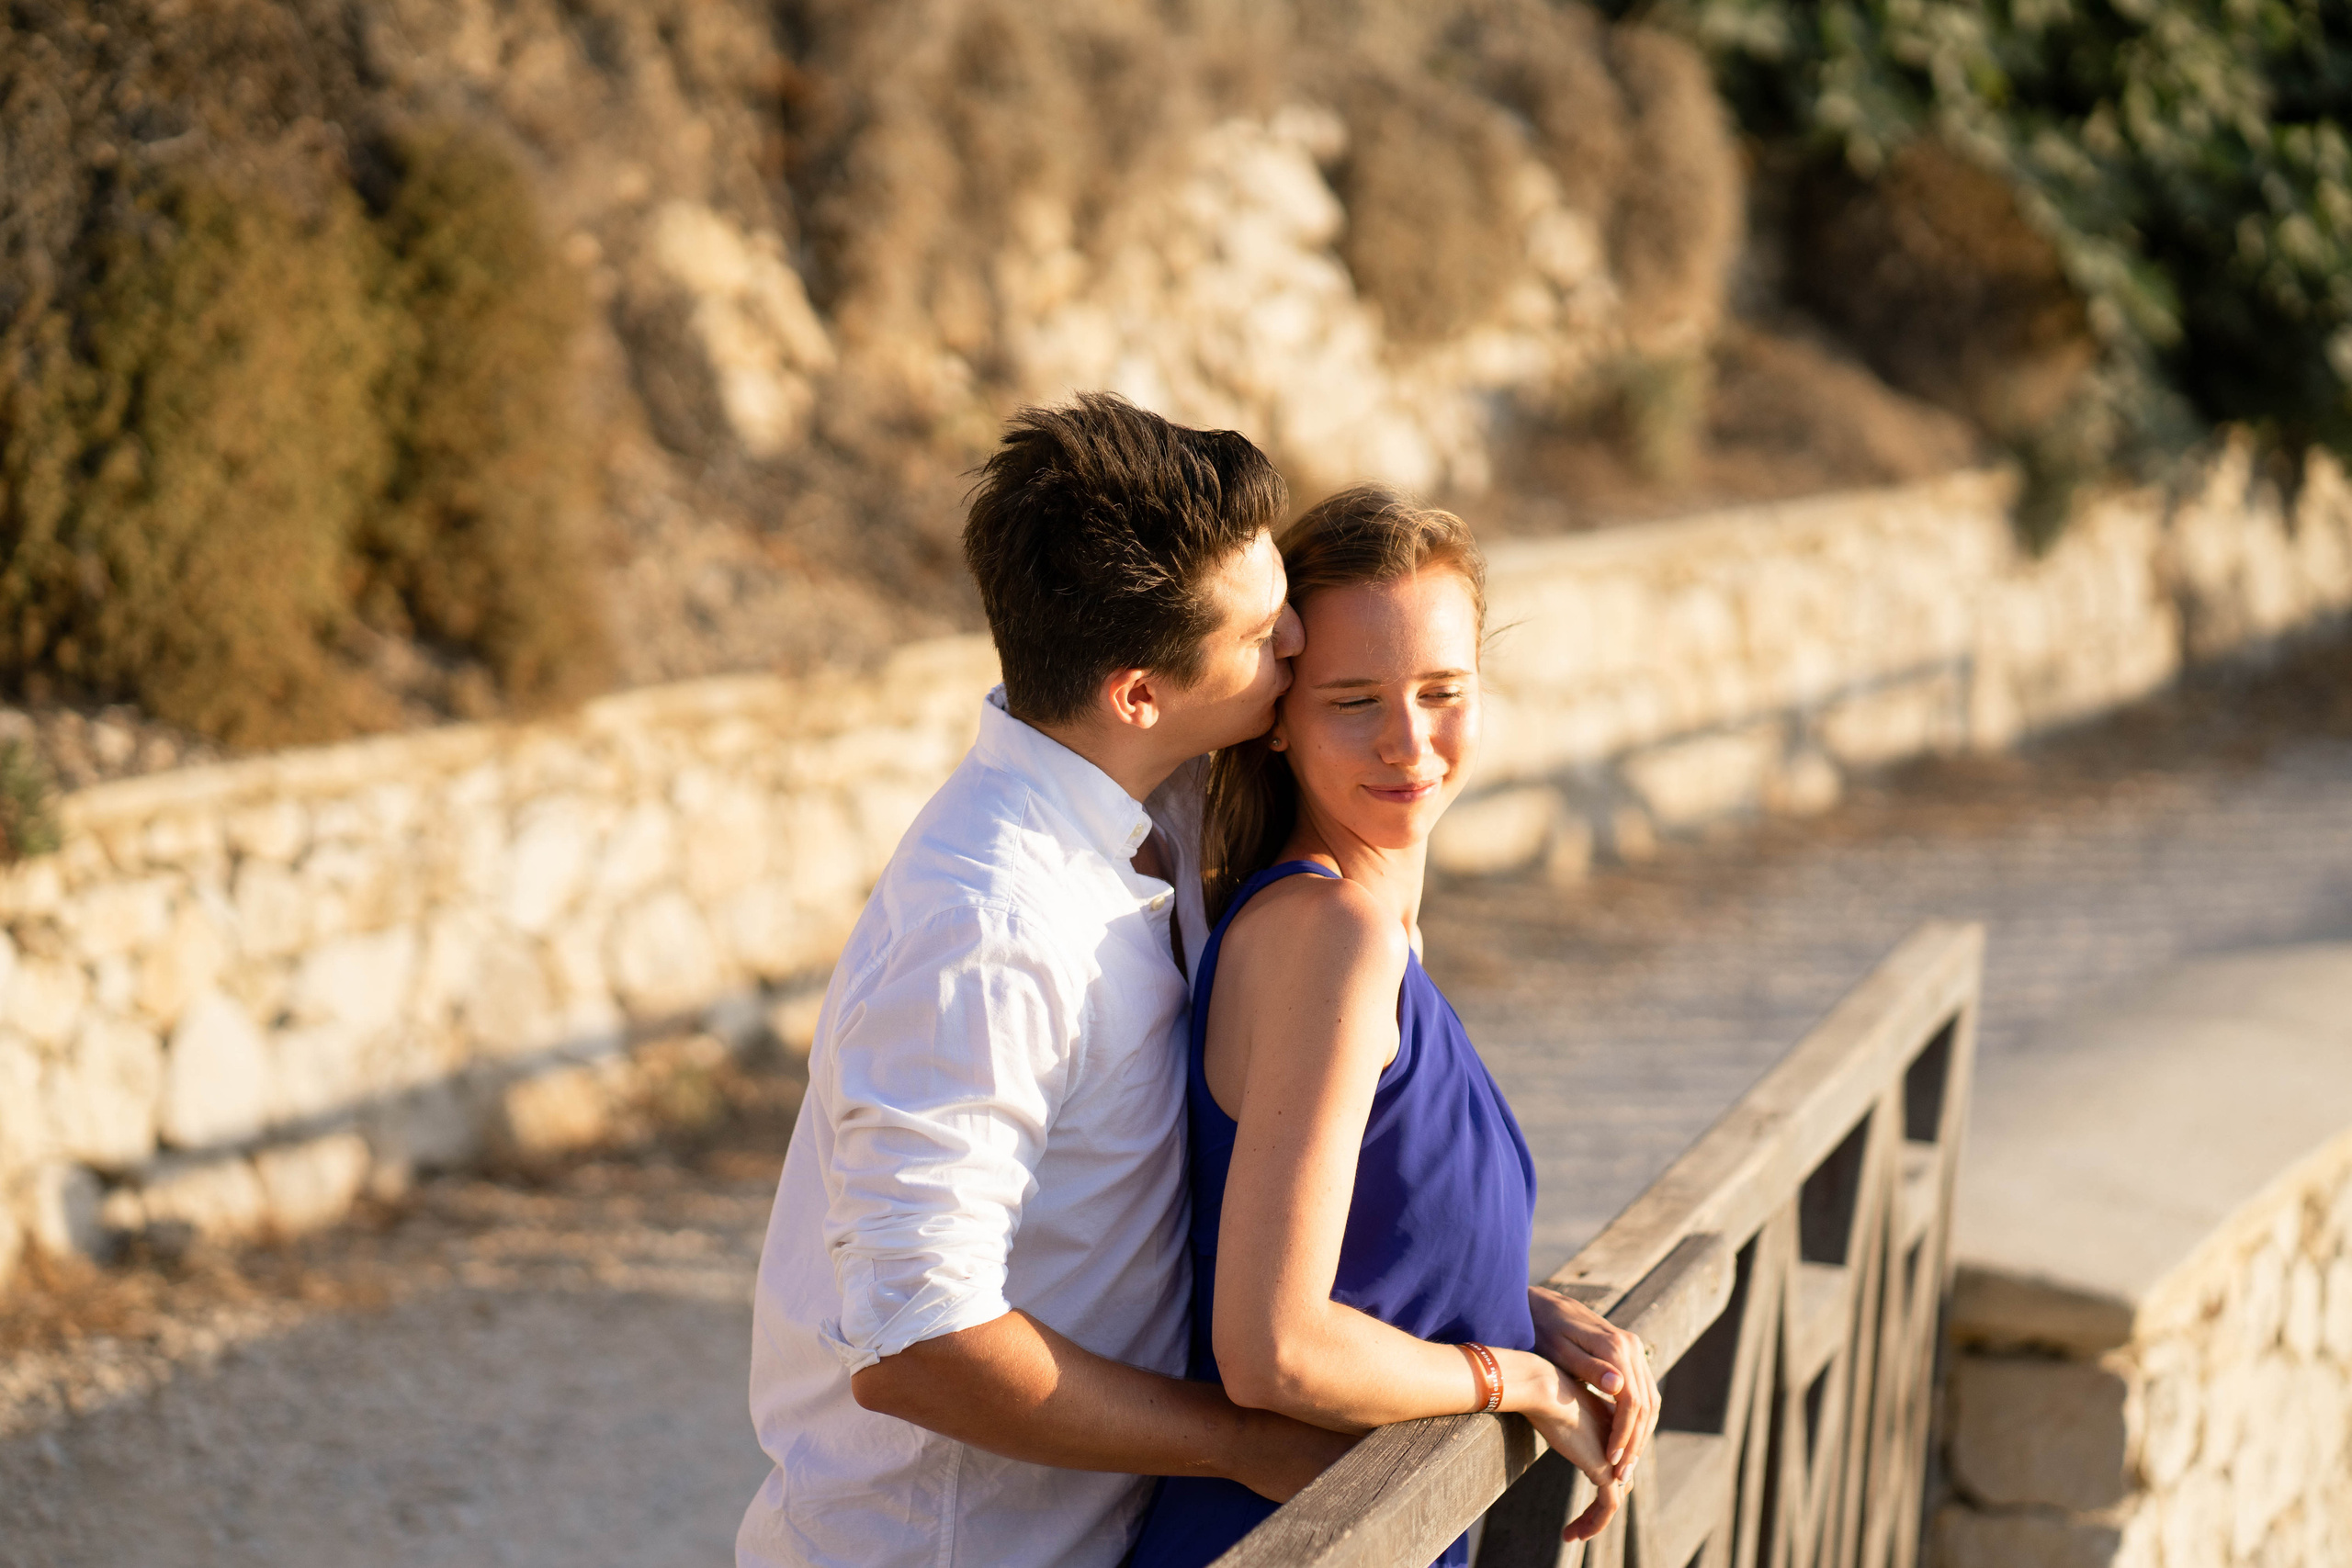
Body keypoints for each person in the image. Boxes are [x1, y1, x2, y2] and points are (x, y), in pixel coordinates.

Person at [1129, 487, 1662, 1568]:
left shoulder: (1369, 932)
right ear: (1277, 715)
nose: (1407, 741)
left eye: (1440, 690)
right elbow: (1274, 1350)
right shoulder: (1328, 935)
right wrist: (1515, 1378)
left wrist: (1513, 1306)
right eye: (1351, 700)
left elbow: (1356, 1243)